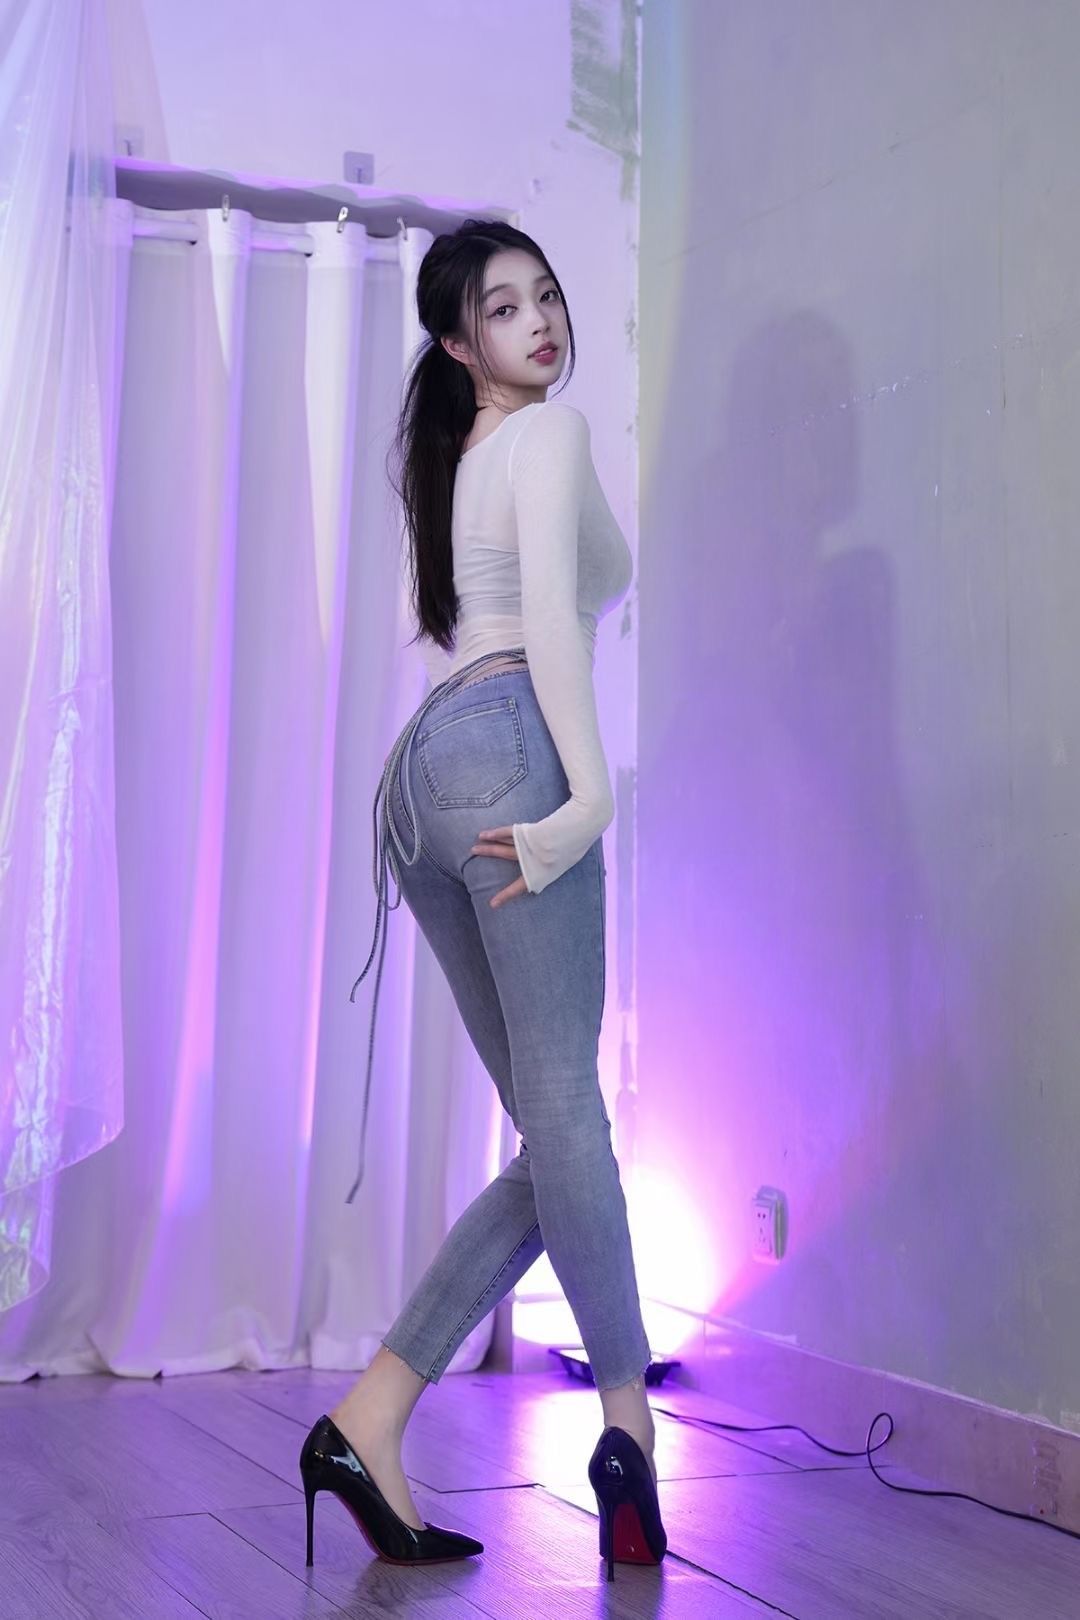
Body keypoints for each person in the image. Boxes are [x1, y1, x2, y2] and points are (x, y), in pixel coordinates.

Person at [299, 220, 666, 1579]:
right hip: (512, 742)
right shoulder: (546, 437)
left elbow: (600, 571)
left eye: (547, 296)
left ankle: (369, 1417)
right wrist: (589, 796)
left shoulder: (460, 464)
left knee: (551, 1138)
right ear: (459, 344)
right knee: (567, 1113)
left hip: (421, 780)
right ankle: (627, 1427)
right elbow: (561, 619)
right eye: (503, 310)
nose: (541, 321)